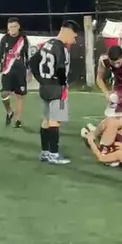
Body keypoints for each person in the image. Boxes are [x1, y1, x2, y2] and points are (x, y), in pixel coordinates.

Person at [29, 20, 78, 164]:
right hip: (57, 88)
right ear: (68, 31)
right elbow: (61, 69)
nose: (74, 40)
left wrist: (40, 79)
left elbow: (32, 62)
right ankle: (54, 154)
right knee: (55, 120)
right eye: (74, 36)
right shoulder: (61, 48)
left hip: (45, 87)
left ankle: (45, 152)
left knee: (46, 120)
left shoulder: (47, 44)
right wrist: (63, 87)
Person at [0, 17, 30, 128]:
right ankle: (9, 111)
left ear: (18, 27)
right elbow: (0, 55)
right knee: (4, 94)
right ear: (8, 28)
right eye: (10, 27)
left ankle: (17, 120)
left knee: (19, 96)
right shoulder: (4, 39)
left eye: (15, 26)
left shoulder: (23, 39)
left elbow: (28, 56)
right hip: (7, 71)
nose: (13, 29)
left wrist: (29, 71)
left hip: (20, 72)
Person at [95, 44, 122, 119]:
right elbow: (99, 78)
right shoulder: (103, 60)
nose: (116, 65)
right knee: (114, 118)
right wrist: (106, 93)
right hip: (119, 89)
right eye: (113, 63)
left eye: (118, 62)